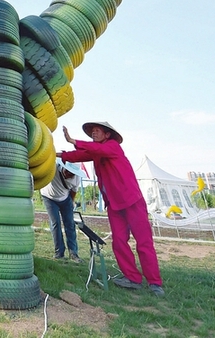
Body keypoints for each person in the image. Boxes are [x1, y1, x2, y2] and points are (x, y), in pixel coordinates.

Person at [59, 121, 164, 297]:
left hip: (131, 201)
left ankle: (155, 283)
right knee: (119, 242)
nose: (93, 133)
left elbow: (95, 150)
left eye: (97, 130)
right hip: (114, 204)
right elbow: (78, 156)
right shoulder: (97, 152)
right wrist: (55, 154)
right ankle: (133, 278)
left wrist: (73, 140)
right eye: (92, 131)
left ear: (107, 135)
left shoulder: (112, 147)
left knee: (144, 242)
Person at [40, 159, 85, 262]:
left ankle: (73, 253)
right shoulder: (53, 167)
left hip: (65, 199)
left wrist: (70, 204)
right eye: (67, 172)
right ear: (63, 167)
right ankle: (59, 253)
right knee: (55, 224)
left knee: (70, 224)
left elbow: (73, 192)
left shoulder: (77, 178)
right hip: (49, 197)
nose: (69, 175)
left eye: (72, 174)